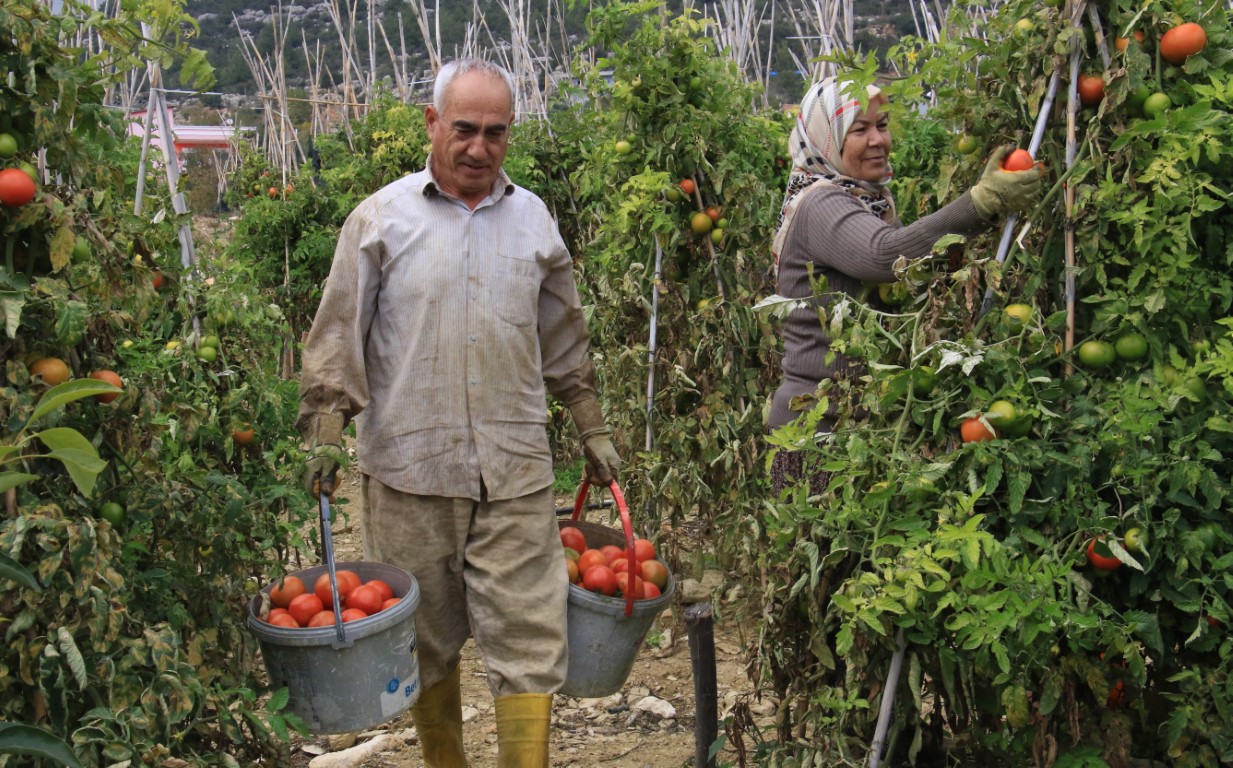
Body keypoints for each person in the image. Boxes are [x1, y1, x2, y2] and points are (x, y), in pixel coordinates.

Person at [296, 58, 622, 768]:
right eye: (465, 129)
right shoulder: (381, 219)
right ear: (432, 124)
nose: (478, 148)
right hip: (410, 471)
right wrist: (326, 427)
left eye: (495, 133)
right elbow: (338, 332)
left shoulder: (533, 219)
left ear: (510, 135)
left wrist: (589, 421)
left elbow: (563, 336)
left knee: (531, 640)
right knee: (426, 642)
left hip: (514, 471)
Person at [768, 76, 1042, 496]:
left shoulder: (867, 201)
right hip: (818, 427)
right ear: (826, 139)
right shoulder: (821, 203)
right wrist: (981, 201)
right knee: (820, 552)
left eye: (883, 124)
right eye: (859, 130)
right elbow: (885, 256)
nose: (878, 140)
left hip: (857, 425)